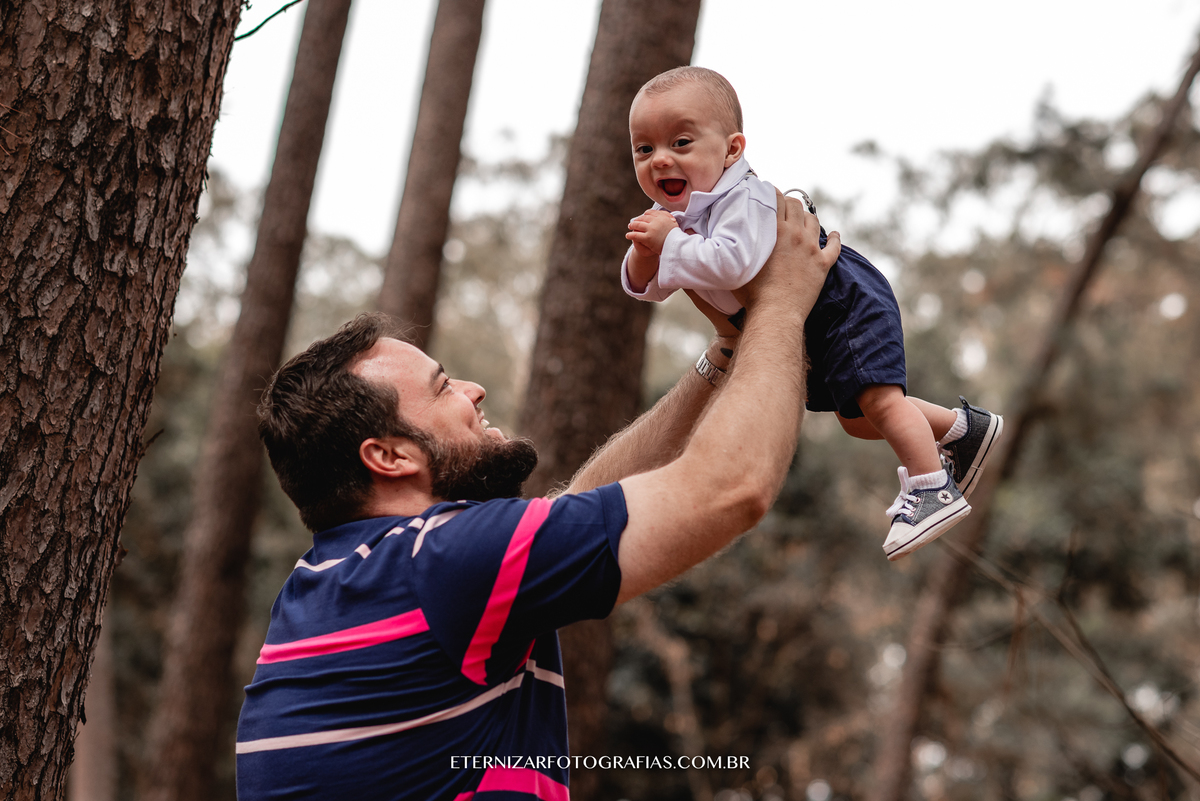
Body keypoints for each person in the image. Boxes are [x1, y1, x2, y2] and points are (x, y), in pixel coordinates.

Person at [235, 195, 837, 800]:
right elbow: (730, 490)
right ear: (391, 457)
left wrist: (727, 353)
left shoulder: (331, 584)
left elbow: (581, 510)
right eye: (442, 387)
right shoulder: (440, 561)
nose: (474, 389)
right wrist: (781, 306)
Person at [621, 65, 1003, 560]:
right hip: (806, 317)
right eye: (644, 149)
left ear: (732, 149)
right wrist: (647, 255)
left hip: (840, 298)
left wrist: (670, 243)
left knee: (880, 401)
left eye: (681, 142)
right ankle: (962, 429)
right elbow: (649, 289)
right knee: (858, 418)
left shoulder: (745, 199)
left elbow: (731, 263)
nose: (661, 160)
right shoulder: (684, 217)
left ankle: (931, 487)